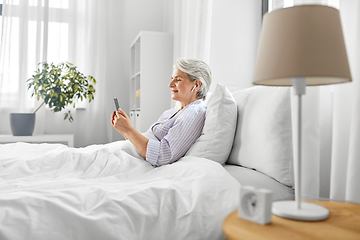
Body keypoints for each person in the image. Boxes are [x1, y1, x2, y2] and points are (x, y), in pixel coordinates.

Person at [111, 58, 212, 167]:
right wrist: (125, 130)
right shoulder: (172, 112)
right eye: (172, 79)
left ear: (196, 85)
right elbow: (144, 143)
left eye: (177, 79)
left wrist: (129, 130)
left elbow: (163, 155)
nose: (170, 84)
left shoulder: (194, 113)